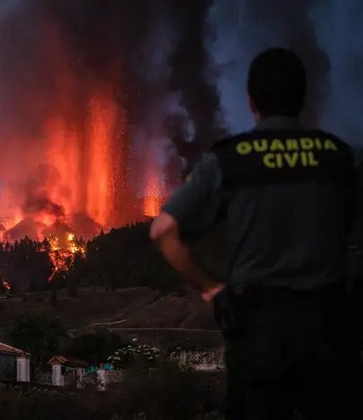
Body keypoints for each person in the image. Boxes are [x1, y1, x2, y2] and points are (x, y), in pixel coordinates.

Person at [150, 48, 361, 419]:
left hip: (260, 332)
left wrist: (210, 289)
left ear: (250, 101)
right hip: (329, 329)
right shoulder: (339, 157)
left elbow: (163, 229)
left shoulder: (232, 159)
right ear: (304, 97)